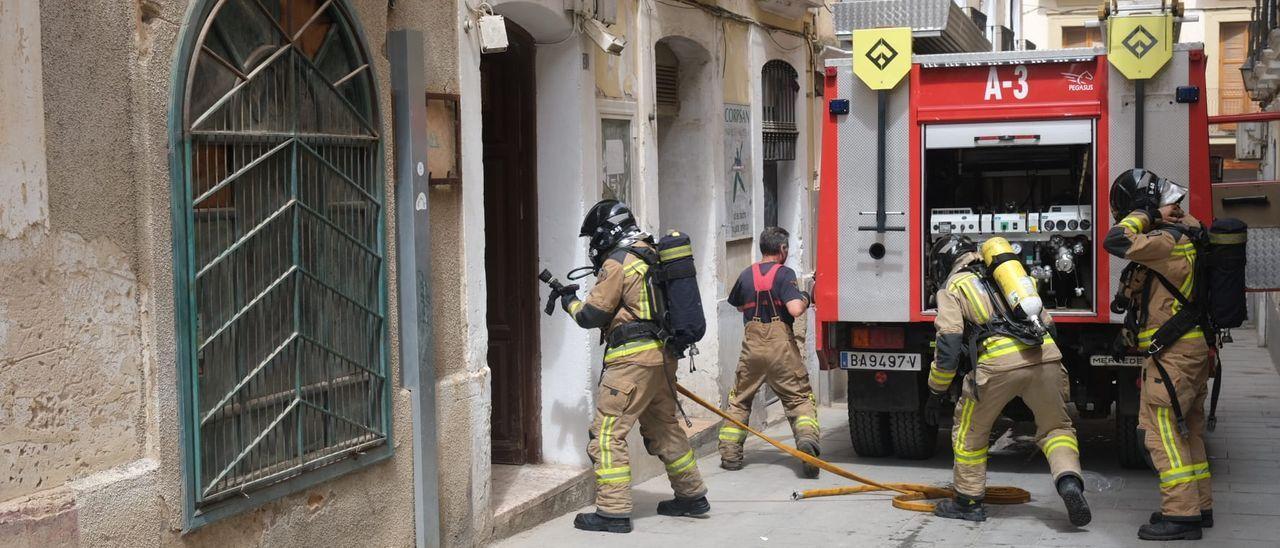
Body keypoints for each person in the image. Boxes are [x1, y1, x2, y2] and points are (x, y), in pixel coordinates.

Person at [558, 199, 709, 534]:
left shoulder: (619, 262)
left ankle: (612, 512)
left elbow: (591, 315)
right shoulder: (651, 254)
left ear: (606, 232)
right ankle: (692, 494)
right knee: (664, 427)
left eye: (593, 238)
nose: (593, 245)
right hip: (662, 358)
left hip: (630, 362)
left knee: (608, 433)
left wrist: (569, 301)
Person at [925, 234, 1091, 526]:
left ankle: (967, 501)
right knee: (1057, 428)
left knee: (970, 433)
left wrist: (936, 391)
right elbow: (1049, 325)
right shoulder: (1009, 278)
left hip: (998, 365)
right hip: (1045, 356)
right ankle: (1069, 482)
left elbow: (949, 346)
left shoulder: (954, 285)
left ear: (944, 262)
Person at [1104, 169, 1213, 541]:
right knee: (1191, 430)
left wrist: (1146, 214)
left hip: (1174, 356)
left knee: (1161, 433)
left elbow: (1116, 240)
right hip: (1195, 350)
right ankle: (1200, 506)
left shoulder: (1165, 240)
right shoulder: (1192, 229)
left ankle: (1180, 516)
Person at [718, 227, 820, 477]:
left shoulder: (746, 274)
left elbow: (739, 304)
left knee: (740, 400)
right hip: (781, 349)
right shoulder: (785, 275)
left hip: (752, 349)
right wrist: (806, 296)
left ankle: (730, 454)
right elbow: (795, 309)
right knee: (798, 399)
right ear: (782, 249)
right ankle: (807, 444)